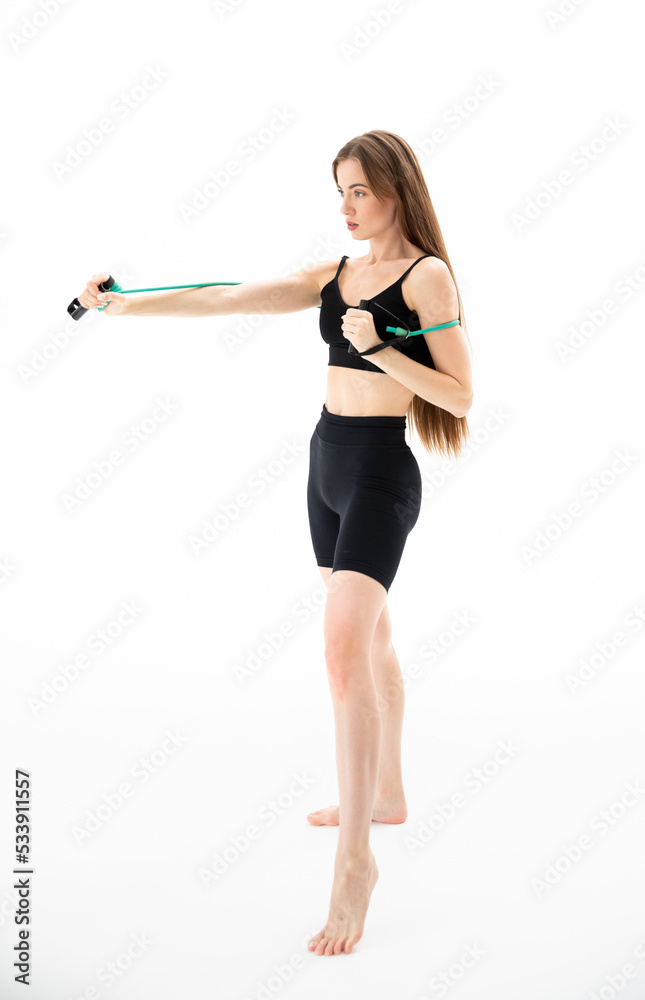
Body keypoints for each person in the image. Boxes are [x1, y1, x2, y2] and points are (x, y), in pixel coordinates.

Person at [76, 129, 473, 958]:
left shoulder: (425, 275)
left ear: (397, 187)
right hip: (323, 465)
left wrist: (379, 350)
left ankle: (355, 860)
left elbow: (460, 395)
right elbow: (231, 296)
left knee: (339, 654)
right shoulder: (337, 273)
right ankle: (388, 794)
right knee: (373, 639)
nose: (346, 206)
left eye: (359, 190)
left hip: (378, 476)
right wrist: (123, 304)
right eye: (341, 191)